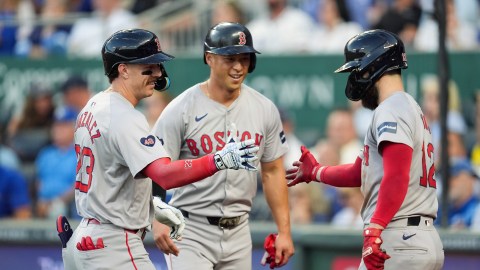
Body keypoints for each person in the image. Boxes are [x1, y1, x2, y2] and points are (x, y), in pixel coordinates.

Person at [61, 28, 259, 270]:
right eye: (148, 66)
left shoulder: (93, 106)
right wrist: (218, 160)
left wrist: (154, 207)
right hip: (114, 244)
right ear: (123, 70)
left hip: (87, 236)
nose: (157, 73)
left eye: (157, 65)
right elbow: (164, 174)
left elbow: (113, 174)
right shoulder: (123, 116)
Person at [287, 29, 444, 269]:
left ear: (373, 67)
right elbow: (360, 172)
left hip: (399, 237)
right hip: (417, 238)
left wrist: (375, 228)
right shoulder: (408, 106)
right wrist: (316, 172)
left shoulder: (391, 108)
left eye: (357, 70)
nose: (356, 78)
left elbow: (397, 176)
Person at [151, 22, 294, 270]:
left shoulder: (264, 109)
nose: (238, 67)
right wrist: (159, 214)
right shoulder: (182, 108)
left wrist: (284, 230)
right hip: (190, 227)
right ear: (209, 58)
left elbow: (272, 171)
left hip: (239, 230)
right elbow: (155, 168)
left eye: (244, 58)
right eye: (230, 58)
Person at [35, 106, 78, 219]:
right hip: (43, 206)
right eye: (56, 125)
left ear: (75, 128)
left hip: (69, 206)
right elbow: (39, 182)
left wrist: (58, 201)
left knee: (58, 209)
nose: (58, 130)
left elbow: (79, 185)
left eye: (64, 126)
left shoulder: (80, 153)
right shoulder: (45, 153)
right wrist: (42, 201)